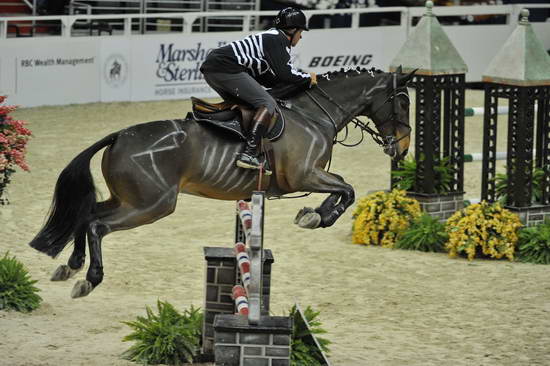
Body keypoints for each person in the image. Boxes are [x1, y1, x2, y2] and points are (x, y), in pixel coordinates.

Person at [200, 7, 317, 174]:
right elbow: (285, 73)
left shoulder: (270, 37)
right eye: (301, 31)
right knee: (267, 103)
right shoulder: (278, 39)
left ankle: (235, 148)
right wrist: (307, 78)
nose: (301, 36)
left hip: (214, 68)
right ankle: (248, 154)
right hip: (226, 68)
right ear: (293, 30)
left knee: (247, 106)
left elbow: (269, 78)